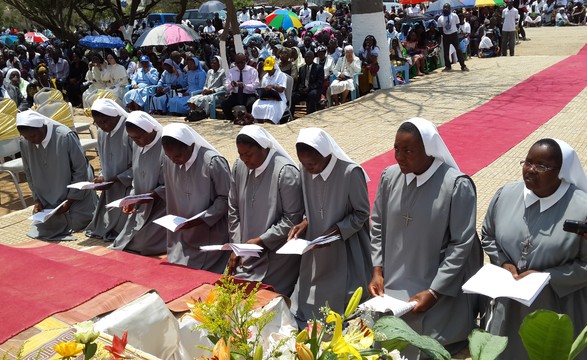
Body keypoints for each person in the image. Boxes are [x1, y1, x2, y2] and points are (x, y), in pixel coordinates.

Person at [369, 118, 482, 357]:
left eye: (408, 151)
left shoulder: (455, 185)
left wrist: (434, 292)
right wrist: (377, 269)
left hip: (433, 287)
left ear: (429, 151)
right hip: (392, 285)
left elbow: (461, 244)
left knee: (428, 347)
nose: (400, 156)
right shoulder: (390, 177)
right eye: (396, 149)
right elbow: (377, 222)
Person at [481, 139, 587, 360]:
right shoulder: (505, 195)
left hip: (556, 306)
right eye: (527, 162)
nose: (530, 170)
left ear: (562, 172)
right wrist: (503, 262)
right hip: (508, 306)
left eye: (541, 166)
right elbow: (488, 235)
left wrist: (549, 277)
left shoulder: (582, 208)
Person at [289, 127, 372, 328]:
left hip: (346, 244)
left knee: (343, 292)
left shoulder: (351, 172)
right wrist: (305, 222)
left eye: (313, 163)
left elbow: (361, 213)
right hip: (316, 242)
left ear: (325, 155)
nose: (309, 169)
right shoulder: (305, 169)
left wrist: (336, 230)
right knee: (313, 289)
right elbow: (313, 207)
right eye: (304, 163)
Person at [227, 125, 303, 295]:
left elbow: (292, 219)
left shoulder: (285, 172)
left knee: (264, 297)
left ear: (263, 149)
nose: (245, 159)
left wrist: (261, 240)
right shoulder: (239, 166)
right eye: (241, 154)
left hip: (276, 252)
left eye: (249, 154)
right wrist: (238, 245)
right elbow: (233, 208)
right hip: (245, 249)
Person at [16, 110, 97, 240]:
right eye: (26, 137)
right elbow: (29, 173)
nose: (31, 141)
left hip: (75, 196)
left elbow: (80, 170)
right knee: (46, 225)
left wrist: (70, 201)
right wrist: (37, 200)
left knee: (75, 223)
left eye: (33, 136)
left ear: (42, 127)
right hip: (47, 201)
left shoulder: (65, 136)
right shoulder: (24, 142)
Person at [161, 123, 231, 272]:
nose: (174, 160)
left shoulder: (212, 162)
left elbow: (225, 199)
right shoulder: (170, 161)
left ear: (188, 146)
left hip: (211, 229)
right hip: (184, 232)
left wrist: (201, 219)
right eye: (170, 156)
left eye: (178, 156)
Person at [109, 111, 167, 256]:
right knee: (125, 238)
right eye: (132, 138)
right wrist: (132, 198)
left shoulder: (165, 146)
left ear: (150, 130)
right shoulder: (138, 145)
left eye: (139, 137)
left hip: (162, 206)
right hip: (142, 203)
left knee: (142, 244)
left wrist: (149, 196)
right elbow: (137, 176)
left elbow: (171, 185)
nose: (136, 141)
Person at [85, 99, 135, 240]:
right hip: (110, 188)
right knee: (101, 224)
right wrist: (102, 176)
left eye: (104, 122)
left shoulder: (130, 130)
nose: (102, 126)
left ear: (115, 116)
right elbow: (103, 159)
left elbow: (140, 164)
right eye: (98, 123)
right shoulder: (102, 132)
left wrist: (118, 178)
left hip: (129, 185)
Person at [186, 56, 226, 122]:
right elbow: (205, 84)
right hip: (207, 93)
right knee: (192, 99)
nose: (212, 64)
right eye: (211, 63)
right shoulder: (209, 72)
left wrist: (212, 90)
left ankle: (203, 114)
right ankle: (194, 114)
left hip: (217, 95)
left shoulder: (223, 72)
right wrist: (205, 89)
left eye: (215, 63)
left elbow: (225, 87)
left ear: (219, 63)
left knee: (204, 99)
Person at [221, 53, 259, 121]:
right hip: (236, 94)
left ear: (245, 61)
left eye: (242, 62)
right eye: (237, 63)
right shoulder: (231, 71)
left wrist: (244, 85)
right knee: (225, 104)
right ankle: (231, 119)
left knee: (250, 104)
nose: (240, 64)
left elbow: (255, 85)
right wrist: (232, 85)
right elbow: (227, 86)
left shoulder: (252, 71)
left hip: (249, 94)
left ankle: (249, 120)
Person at [251, 57, 288, 124]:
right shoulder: (265, 77)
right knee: (256, 105)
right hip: (267, 98)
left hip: (279, 99)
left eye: (270, 69)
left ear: (274, 67)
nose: (268, 71)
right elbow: (263, 88)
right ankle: (259, 122)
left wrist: (273, 86)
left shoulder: (281, 75)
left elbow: (282, 89)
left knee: (271, 108)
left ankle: (271, 123)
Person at [437, 4, 469, 71]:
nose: (446, 10)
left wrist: (453, 31)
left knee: (458, 50)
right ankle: (448, 66)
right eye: (444, 8)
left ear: (450, 9)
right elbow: (440, 29)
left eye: (447, 8)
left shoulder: (454, 15)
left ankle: (463, 66)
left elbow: (457, 25)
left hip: (454, 35)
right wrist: (445, 33)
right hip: (445, 36)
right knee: (446, 51)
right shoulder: (440, 18)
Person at [292, 51, 324, 115]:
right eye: (305, 57)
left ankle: (310, 114)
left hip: (313, 89)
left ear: (313, 58)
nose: (307, 59)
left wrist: (309, 88)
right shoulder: (302, 69)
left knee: (312, 94)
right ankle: (290, 116)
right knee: (293, 96)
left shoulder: (318, 68)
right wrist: (300, 88)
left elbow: (319, 83)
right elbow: (300, 81)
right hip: (303, 90)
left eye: (308, 57)